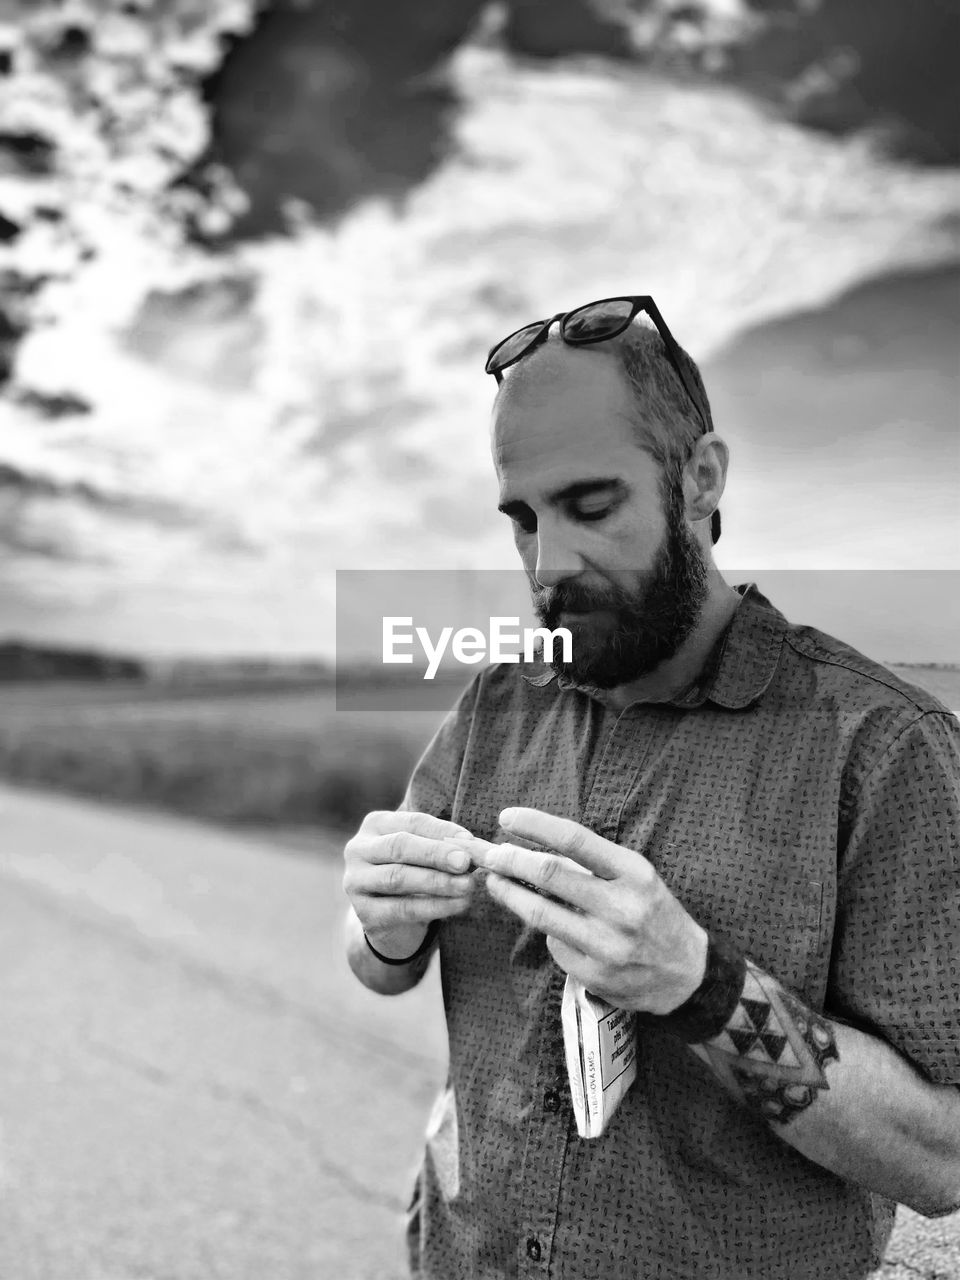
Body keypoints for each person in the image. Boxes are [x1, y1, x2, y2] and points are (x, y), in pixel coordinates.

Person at [341, 296, 960, 1279]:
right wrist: (381, 918)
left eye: (592, 506)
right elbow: (380, 964)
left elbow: (941, 1155)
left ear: (700, 478)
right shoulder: (498, 701)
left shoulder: (880, 746)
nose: (550, 564)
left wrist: (698, 983)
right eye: (523, 518)